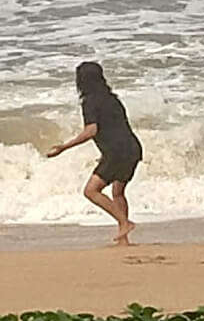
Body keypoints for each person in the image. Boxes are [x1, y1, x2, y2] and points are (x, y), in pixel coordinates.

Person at [47, 62, 143, 245]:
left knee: (91, 191)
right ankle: (124, 239)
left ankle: (125, 223)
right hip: (132, 148)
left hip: (117, 152)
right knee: (118, 192)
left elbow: (91, 130)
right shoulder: (113, 99)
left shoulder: (89, 102)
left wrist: (64, 147)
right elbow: (117, 128)